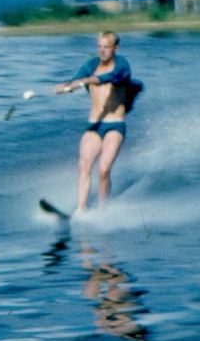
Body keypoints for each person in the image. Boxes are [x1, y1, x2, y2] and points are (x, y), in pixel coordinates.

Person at [54, 30, 143, 212]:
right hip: (94, 124)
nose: (102, 51)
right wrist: (65, 87)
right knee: (84, 166)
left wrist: (91, 80)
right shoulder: (91, 65)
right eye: (99, 47)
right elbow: (75, 81)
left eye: (106, 47)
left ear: (115, 48)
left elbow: (114, 76)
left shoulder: (122, 65)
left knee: (103, 170)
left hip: (115, 126)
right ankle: (81, 209)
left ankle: (102, 210)